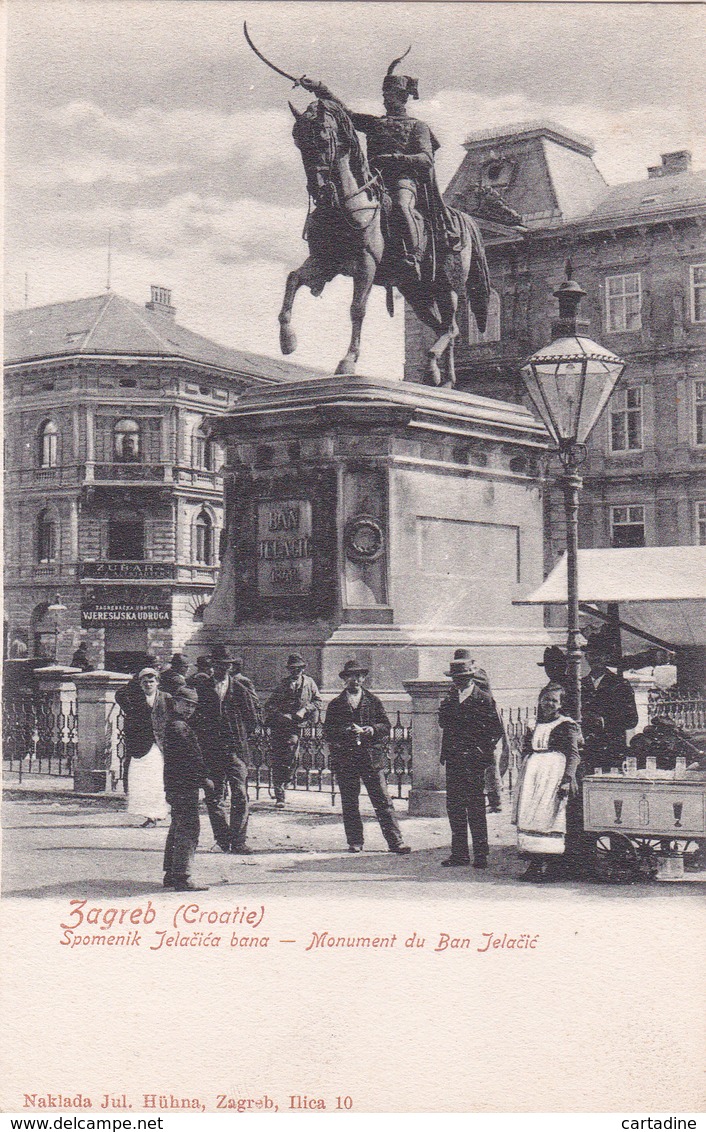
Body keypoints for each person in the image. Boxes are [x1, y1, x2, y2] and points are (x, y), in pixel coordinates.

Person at [300, 52, 461, 281]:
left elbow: (425, 159)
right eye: (384, 94)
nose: (386, 99)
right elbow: (345, 113)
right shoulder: (375, 123)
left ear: (402, 97)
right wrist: (319, 88)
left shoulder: (418, 127)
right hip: (373, 181)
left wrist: (396, 158)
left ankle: (411, 256)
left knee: (400, 206)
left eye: (391, 95)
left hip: (404, 182)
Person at [323, 660, 411, 855]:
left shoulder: (373, 701)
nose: (354, 680)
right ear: (344, 680)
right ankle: (355, 842)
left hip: (371, 759)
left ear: (363, 679)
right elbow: (328, 732)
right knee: (350, 802)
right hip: (346, 760)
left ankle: (396, 842)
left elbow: (386, 726)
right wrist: (346, 731)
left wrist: (371, 730)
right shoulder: (336, 704)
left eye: (358, 676)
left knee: (382, 801)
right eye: (350, 677)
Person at [438, 649, 504, 868]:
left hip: (474, 761)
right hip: (454, 759)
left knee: (475, 807)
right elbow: (443, 723)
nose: (459, 682)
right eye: (456, 679)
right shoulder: (450, 698)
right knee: (455, 807)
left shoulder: (483, 699)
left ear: (471, 678)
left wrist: (480, 751)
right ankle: (459, 854)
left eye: (464, 679)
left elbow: (495, 730)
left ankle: (481, 854)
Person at [191, 645, 260, 854]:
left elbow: (252, 720)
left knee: (240, 794)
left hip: (235, 752)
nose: (222, 670)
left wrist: (238, 739)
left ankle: (238, 841)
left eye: (226, 666)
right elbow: (194, 718)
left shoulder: (240, 689)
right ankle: (222, 839)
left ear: (231, 667)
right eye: (218, 666)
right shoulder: (202, 688)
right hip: (211, 752)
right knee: (215, 796)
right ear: (212, 666)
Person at [512, 683, 582, 882]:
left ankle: (550, 866)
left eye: (554, 700)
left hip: (553, 773)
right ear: (540, 700)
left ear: (560, 704)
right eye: (546, 699)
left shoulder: (566, 724)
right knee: (531, 815)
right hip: (534, 774)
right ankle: (534, 864)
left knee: (549, 815)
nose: (549, 704)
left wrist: (567, 779)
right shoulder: (533, 723)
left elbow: (573, 754)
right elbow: (527, 748)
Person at [162, 687, 214, 892]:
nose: (189, 709)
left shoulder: (176, 724)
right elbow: (192, 759)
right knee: (189, 828)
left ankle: (170, 873)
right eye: (186, 704)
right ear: (175, 703)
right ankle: (182, 876)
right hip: (185, 783)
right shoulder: (179, 727)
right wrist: (204, 780)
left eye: (192, 705)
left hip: (176, 783)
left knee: (178, 826)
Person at [264, 654, 323, 807]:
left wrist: (304, 710)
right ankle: (280, 795)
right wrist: (282, 715)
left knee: (292, 758)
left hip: (298, 725)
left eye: (299, 668)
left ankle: (286, 780)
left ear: (303, 669)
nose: (296, 671)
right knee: (279, 759)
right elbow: (270, 705)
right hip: (280, 726)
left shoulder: (309, 683)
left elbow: (318, 701)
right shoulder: (283, 685)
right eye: (293, 669)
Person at [115, 667, 171, 827]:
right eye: (144, 682)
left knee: (158, 780)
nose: (148, 684)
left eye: (151, 681)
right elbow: (119, 694)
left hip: (161, 744)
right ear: (139, 684)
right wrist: (134, 680)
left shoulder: (166, 698)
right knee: (144, 780)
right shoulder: (134, 699)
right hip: (141, 745)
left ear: (157, 683)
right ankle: (151, 815)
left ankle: (157, 813)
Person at [581, 638, 638, 772]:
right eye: (592, 654)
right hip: (586, 749)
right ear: (586, 657)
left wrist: (604, 720)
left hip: (612, 749)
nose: (596, 658)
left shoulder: (620, 684)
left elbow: (632, 720)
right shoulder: (580, 685)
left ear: (607, 656)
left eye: (600, 654)